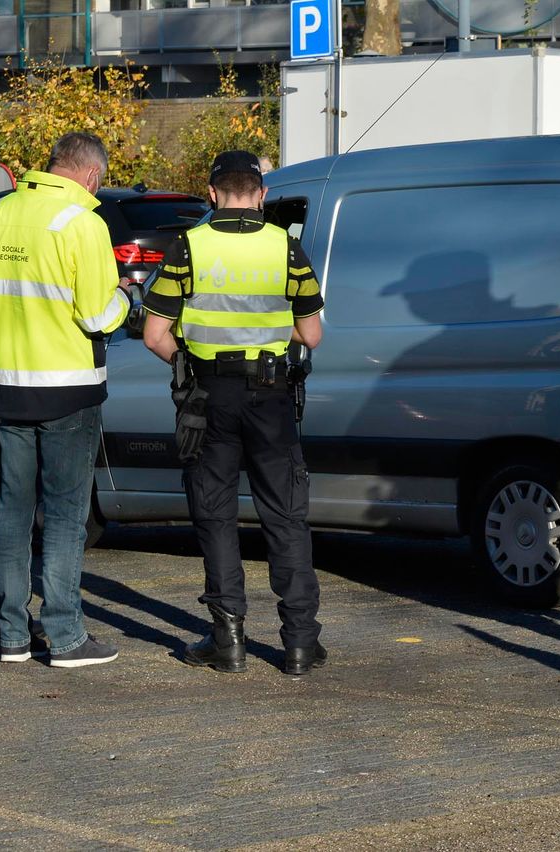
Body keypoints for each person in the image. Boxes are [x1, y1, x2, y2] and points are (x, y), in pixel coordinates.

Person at [141, 150, 326, 676]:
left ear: (213, 192)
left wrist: (197, 357)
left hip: (208, 399)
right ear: (262, 194)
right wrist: (264, 336)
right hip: (271, 396)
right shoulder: (287, 249)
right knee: (286, 516)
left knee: (216, 514)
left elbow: (155, 334)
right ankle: (299, 644)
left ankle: (229, 640)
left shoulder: (188, 247)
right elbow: (311, 333)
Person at [0, 132, 130, 667]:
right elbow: (96, 315)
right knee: (64, 515)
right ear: (88, 174)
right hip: (68, 391)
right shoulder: (82, 223)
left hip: (10, 386)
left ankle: (11, 634)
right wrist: (126, 297)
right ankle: (65, 636)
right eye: (100, 182)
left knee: (12, 512)